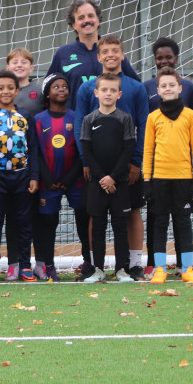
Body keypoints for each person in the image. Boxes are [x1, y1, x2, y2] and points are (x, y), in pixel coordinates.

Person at [75, 35, 149, 278]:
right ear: (98, 56)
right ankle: (93, 264)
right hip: (96, 166)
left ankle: (133, 263)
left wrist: (135, 161)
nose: (110, 55)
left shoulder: (136, 87)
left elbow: (143, 125)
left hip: (127, 166)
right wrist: (87, 162)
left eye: (115, 50)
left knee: (131, 212)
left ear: (122, 54)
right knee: (95, 215)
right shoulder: (87, 89)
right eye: (105, 51)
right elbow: (80, 126)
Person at [141, 36, 193, 274]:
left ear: (180, 87)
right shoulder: (152, 117)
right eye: (163, 86)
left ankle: (186, 268)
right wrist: (147, 180)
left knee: (183, 223)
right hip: (159, 178)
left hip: (184, 178)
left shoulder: (190, 115)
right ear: (158, 90)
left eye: (172, 85)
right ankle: (158, 269)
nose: (168, 88)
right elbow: (148, 149)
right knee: (159, 223)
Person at [0, 70, 39, 282]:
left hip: (22, 177)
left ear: (17, 90)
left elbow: (32, 148)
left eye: (10, 88)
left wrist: (34, 176)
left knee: (23, 222)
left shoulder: (25, 117)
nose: (5, 91)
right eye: (1, 88)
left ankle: (25, 266)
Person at [79, 73, 137, 283]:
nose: (108, 93)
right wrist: (103, 178)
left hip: (119, 182)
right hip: (97, 183)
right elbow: (87, 152)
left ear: (119, 94)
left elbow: (127, 150)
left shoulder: (125, 119)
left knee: (120, 225)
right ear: (96, 93)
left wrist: (113, 177)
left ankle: (122, 269)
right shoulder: (89, 119)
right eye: (104, 90)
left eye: (113, 90)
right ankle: (98, 269)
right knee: (99, 225)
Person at [31, 73, 86, 283]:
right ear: (47, 93)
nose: (61, 89)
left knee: (82, 218)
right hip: (48, 182)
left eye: (64, 86)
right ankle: (49, 265)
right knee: (48, 222)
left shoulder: (76, 118)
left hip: (75, 180)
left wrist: (71, 176)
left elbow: (83, 149)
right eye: (56, 86)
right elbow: (35, 151)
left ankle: (87, 262)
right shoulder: (38, 120)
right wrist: (46, 175)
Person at [47, 0, 140, 106]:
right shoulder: (63, 53)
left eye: (90, 16)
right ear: (73, 25)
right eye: (81, 18)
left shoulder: (112, 53)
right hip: (76, 120)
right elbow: (48, 88)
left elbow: (135, 86)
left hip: (111, 118)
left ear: (98, 20)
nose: (87, 20)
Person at [7, 48, 46, 118]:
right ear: (8, 68)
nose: (19, 65)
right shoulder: (2, 92)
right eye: (15, 62)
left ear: (31, 68)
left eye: (24, 62)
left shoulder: (41, 90)